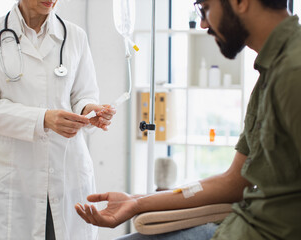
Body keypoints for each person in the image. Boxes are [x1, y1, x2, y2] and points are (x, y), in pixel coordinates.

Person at [75, 0, 301, 239]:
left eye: (205, 8)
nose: (203, 22)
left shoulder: (293, 72)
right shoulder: (271, 71)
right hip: (236, 226)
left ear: (241, 2)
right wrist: (138, 201)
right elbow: (234, 182)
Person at [0, 0, 116, 239]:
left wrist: (91, 111)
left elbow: (82, 94)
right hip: (10, 177)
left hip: (65, 171)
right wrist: (43, 119)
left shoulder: (75, 36)